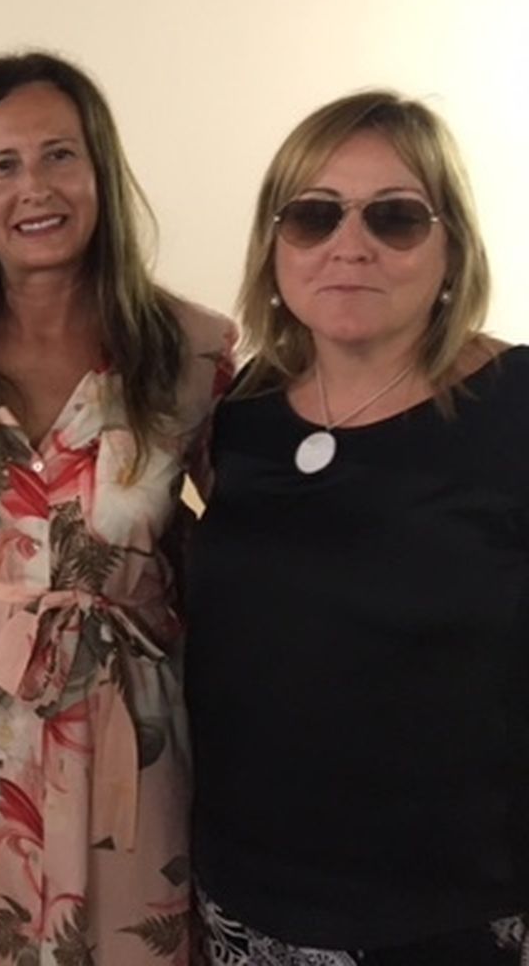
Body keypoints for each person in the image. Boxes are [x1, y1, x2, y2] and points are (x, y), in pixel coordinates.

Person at [0, 52, 235, 965]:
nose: (35, 188)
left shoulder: (191, 350)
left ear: (101, 169)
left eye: (60, 155)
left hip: (127, 742)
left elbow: (260, 541)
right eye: (3, 165)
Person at [186, 91, 528, 965]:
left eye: (395, 217)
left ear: (452, 248)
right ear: (275, 248)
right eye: (314, 215)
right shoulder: (246, 410)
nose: (350, 245)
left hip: (446, 916)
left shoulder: (515, 405)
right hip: (246, 900)